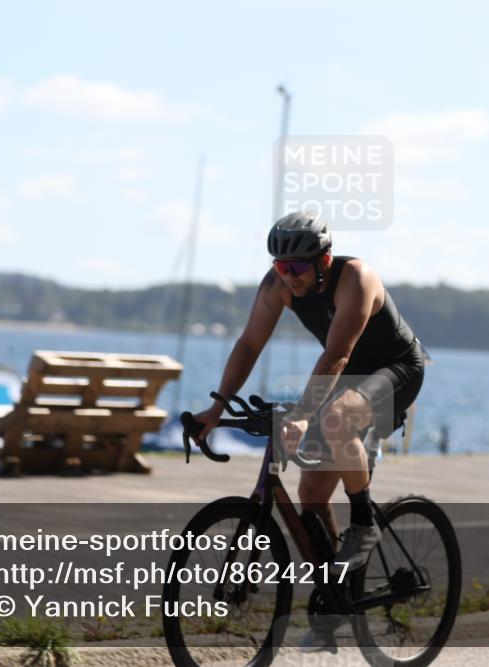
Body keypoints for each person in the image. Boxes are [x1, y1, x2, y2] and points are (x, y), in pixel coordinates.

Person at [190, 211, 425, 651]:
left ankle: (363, 522)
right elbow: (248, 344)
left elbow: (338, 355)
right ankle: (337, 598)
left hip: (395, 371)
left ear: (325, 259)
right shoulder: (277, 286)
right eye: (281, 266)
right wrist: (217, 407)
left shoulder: (356, 277)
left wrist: (301, 414)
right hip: (341, 379)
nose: (288, 276)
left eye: (297, 266)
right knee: (311, 496)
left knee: (335, 418)